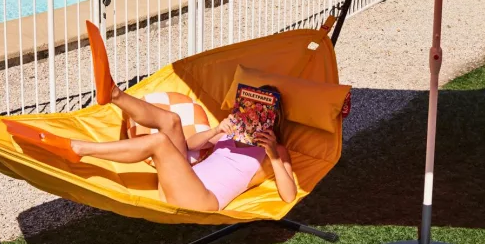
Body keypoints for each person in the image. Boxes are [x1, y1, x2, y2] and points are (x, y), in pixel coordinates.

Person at [16, 83, 297, 212]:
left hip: (201, 200)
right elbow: (189, 145)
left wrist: (272, 154)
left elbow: (288, 196)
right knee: (171, 121)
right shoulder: (231, 135)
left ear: (273, 117)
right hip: (185, 180)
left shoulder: (276, 151)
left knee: (160, 142)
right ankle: (114, 94)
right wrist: (217, 130)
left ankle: (79, 149)